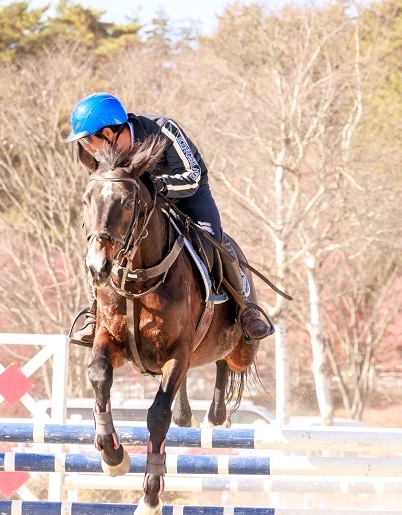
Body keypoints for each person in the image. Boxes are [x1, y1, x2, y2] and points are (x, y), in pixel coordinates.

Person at [66, 92, 273, 345]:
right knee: (102, 242)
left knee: (213, 238)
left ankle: (245, 309)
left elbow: (193, 174)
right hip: (141, 205)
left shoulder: (162, 129)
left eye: (88, 141)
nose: (87, 148)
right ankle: (94, 314)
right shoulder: (106, 161)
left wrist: (156, 187)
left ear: (108, 134)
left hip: (187, 195)